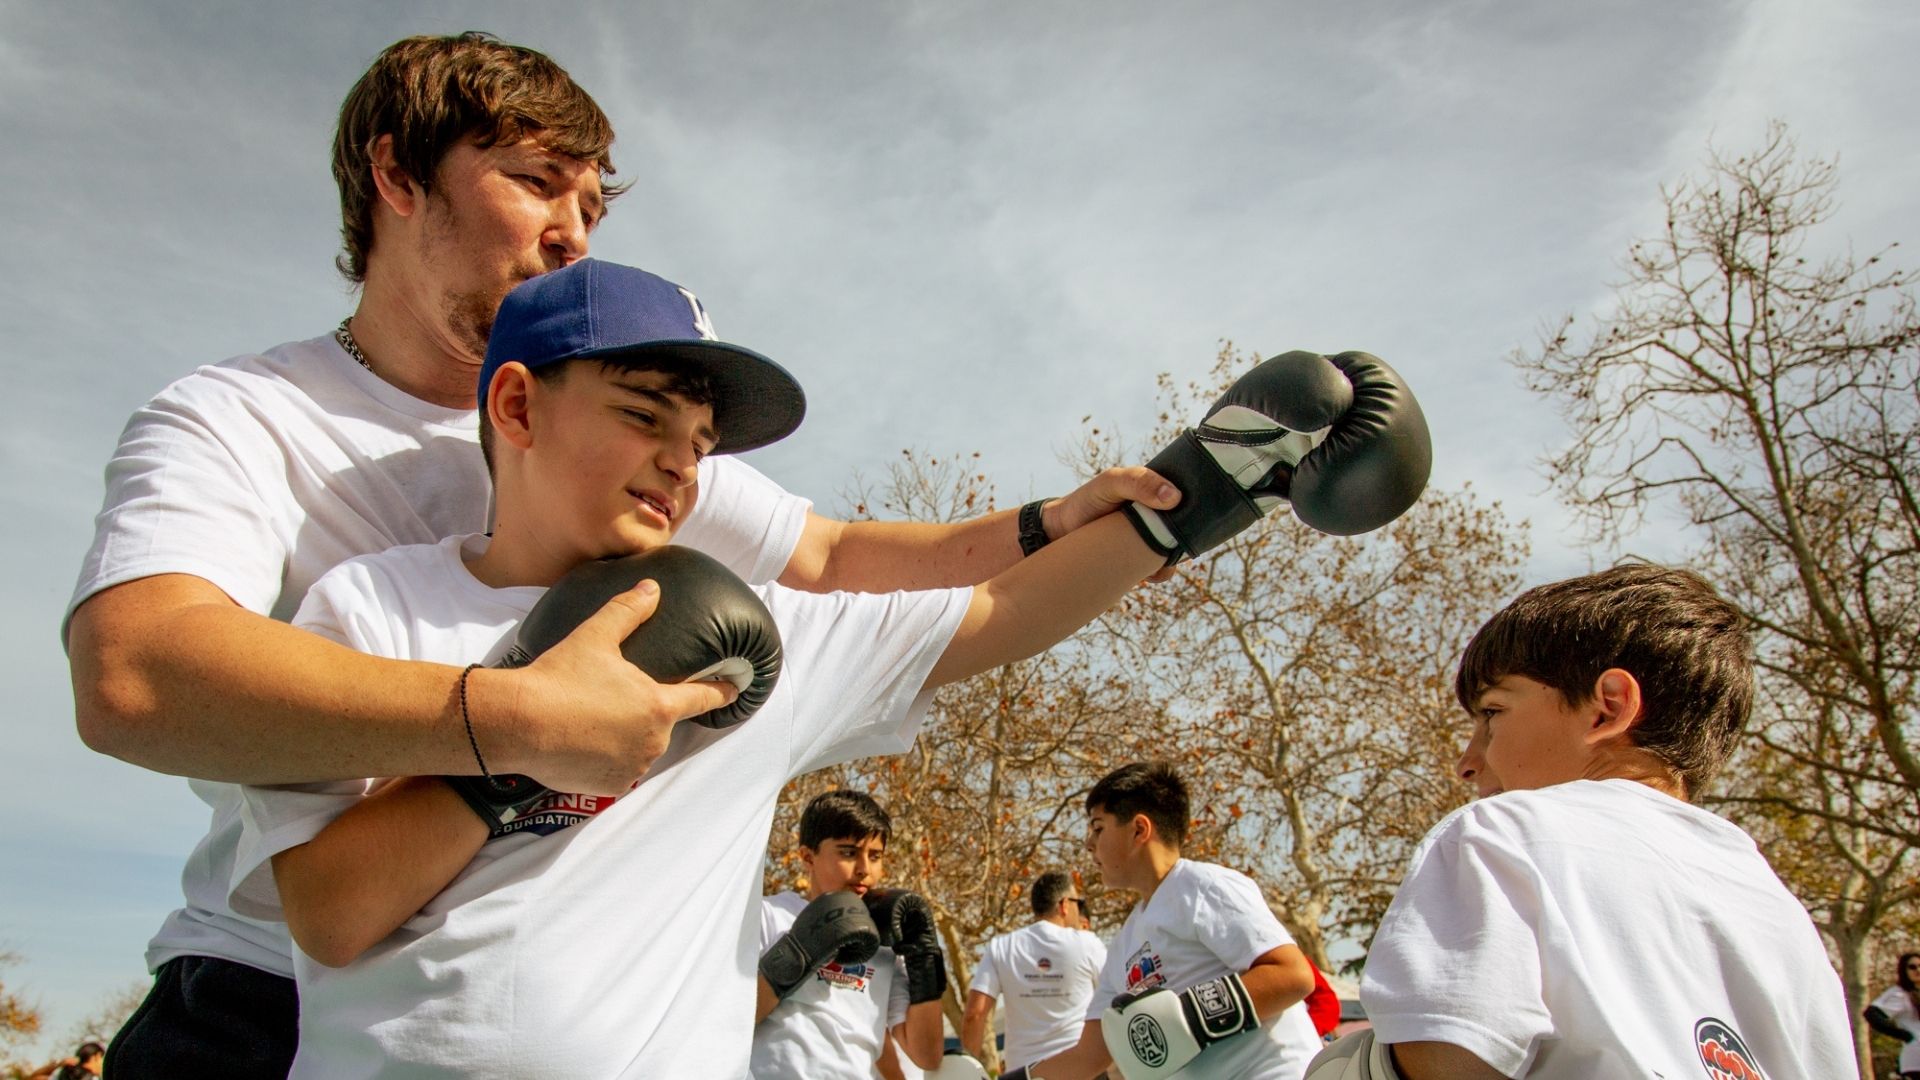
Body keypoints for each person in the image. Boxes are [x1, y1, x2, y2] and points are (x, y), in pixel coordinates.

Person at [63, 32, 1178, 1080]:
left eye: (591, 205)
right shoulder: (243, 418)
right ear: (396, 176)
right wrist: (520, 724)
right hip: (263, 996)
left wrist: (1058, 524)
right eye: (536, 182)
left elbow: (837, 555)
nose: (573, 233)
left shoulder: (631, 457)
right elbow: (133, 676)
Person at [227, 255, 1426, 1079]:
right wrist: (526, 733)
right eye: (645, 414)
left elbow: (998, 610)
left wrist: (1209, 484)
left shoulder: (756, 633)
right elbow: (326, 914)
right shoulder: (369, 605)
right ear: (517, 405)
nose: (681, 462)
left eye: (700, 442)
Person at [1305, 564, 1855, 1080]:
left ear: (1607, 708)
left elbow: (1446, 1057)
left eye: (1492, 713)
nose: (1467, 762)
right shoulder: (1778, 907)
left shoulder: (1504, 832)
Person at [1006, 762, 1325, 1080]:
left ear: (1139, 830)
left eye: (1098, 828)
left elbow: (1292, 975)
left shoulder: (1204, 887)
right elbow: (1087, 1057)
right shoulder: (1123, 944)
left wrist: (1184, 1018)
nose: (1089, 843)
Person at [751, 790, 943, 1076]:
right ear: (807, 856)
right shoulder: (769, 915)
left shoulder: (886, 941)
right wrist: (798, 953)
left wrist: (924, 955)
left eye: (875, 856)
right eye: (849, 853)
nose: (864, 869)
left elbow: (927, 1056)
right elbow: (726, 1022)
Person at [962, 870, 1107, 1072]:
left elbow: (975, 1014)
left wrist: (965, 1072)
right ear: (1064, 905)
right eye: (1078, 903)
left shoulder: (1001, 947)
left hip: (1024, 1073)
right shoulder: (1088, 944)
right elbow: (1114, 1000)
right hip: (1080, 1071)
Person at [1867, 952, 1920, 1079]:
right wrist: (1904, 1035)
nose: (1918, 970)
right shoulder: (1900, 994)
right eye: (1912, 967)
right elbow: (1872, 1013)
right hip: (1916, 1061)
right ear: (1904, 971)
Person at [25, 1042, 105, 1080]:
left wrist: (57, 1065)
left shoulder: (64, 1074)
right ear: (97, 1056)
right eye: (102, 1058)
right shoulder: (93, 1078)